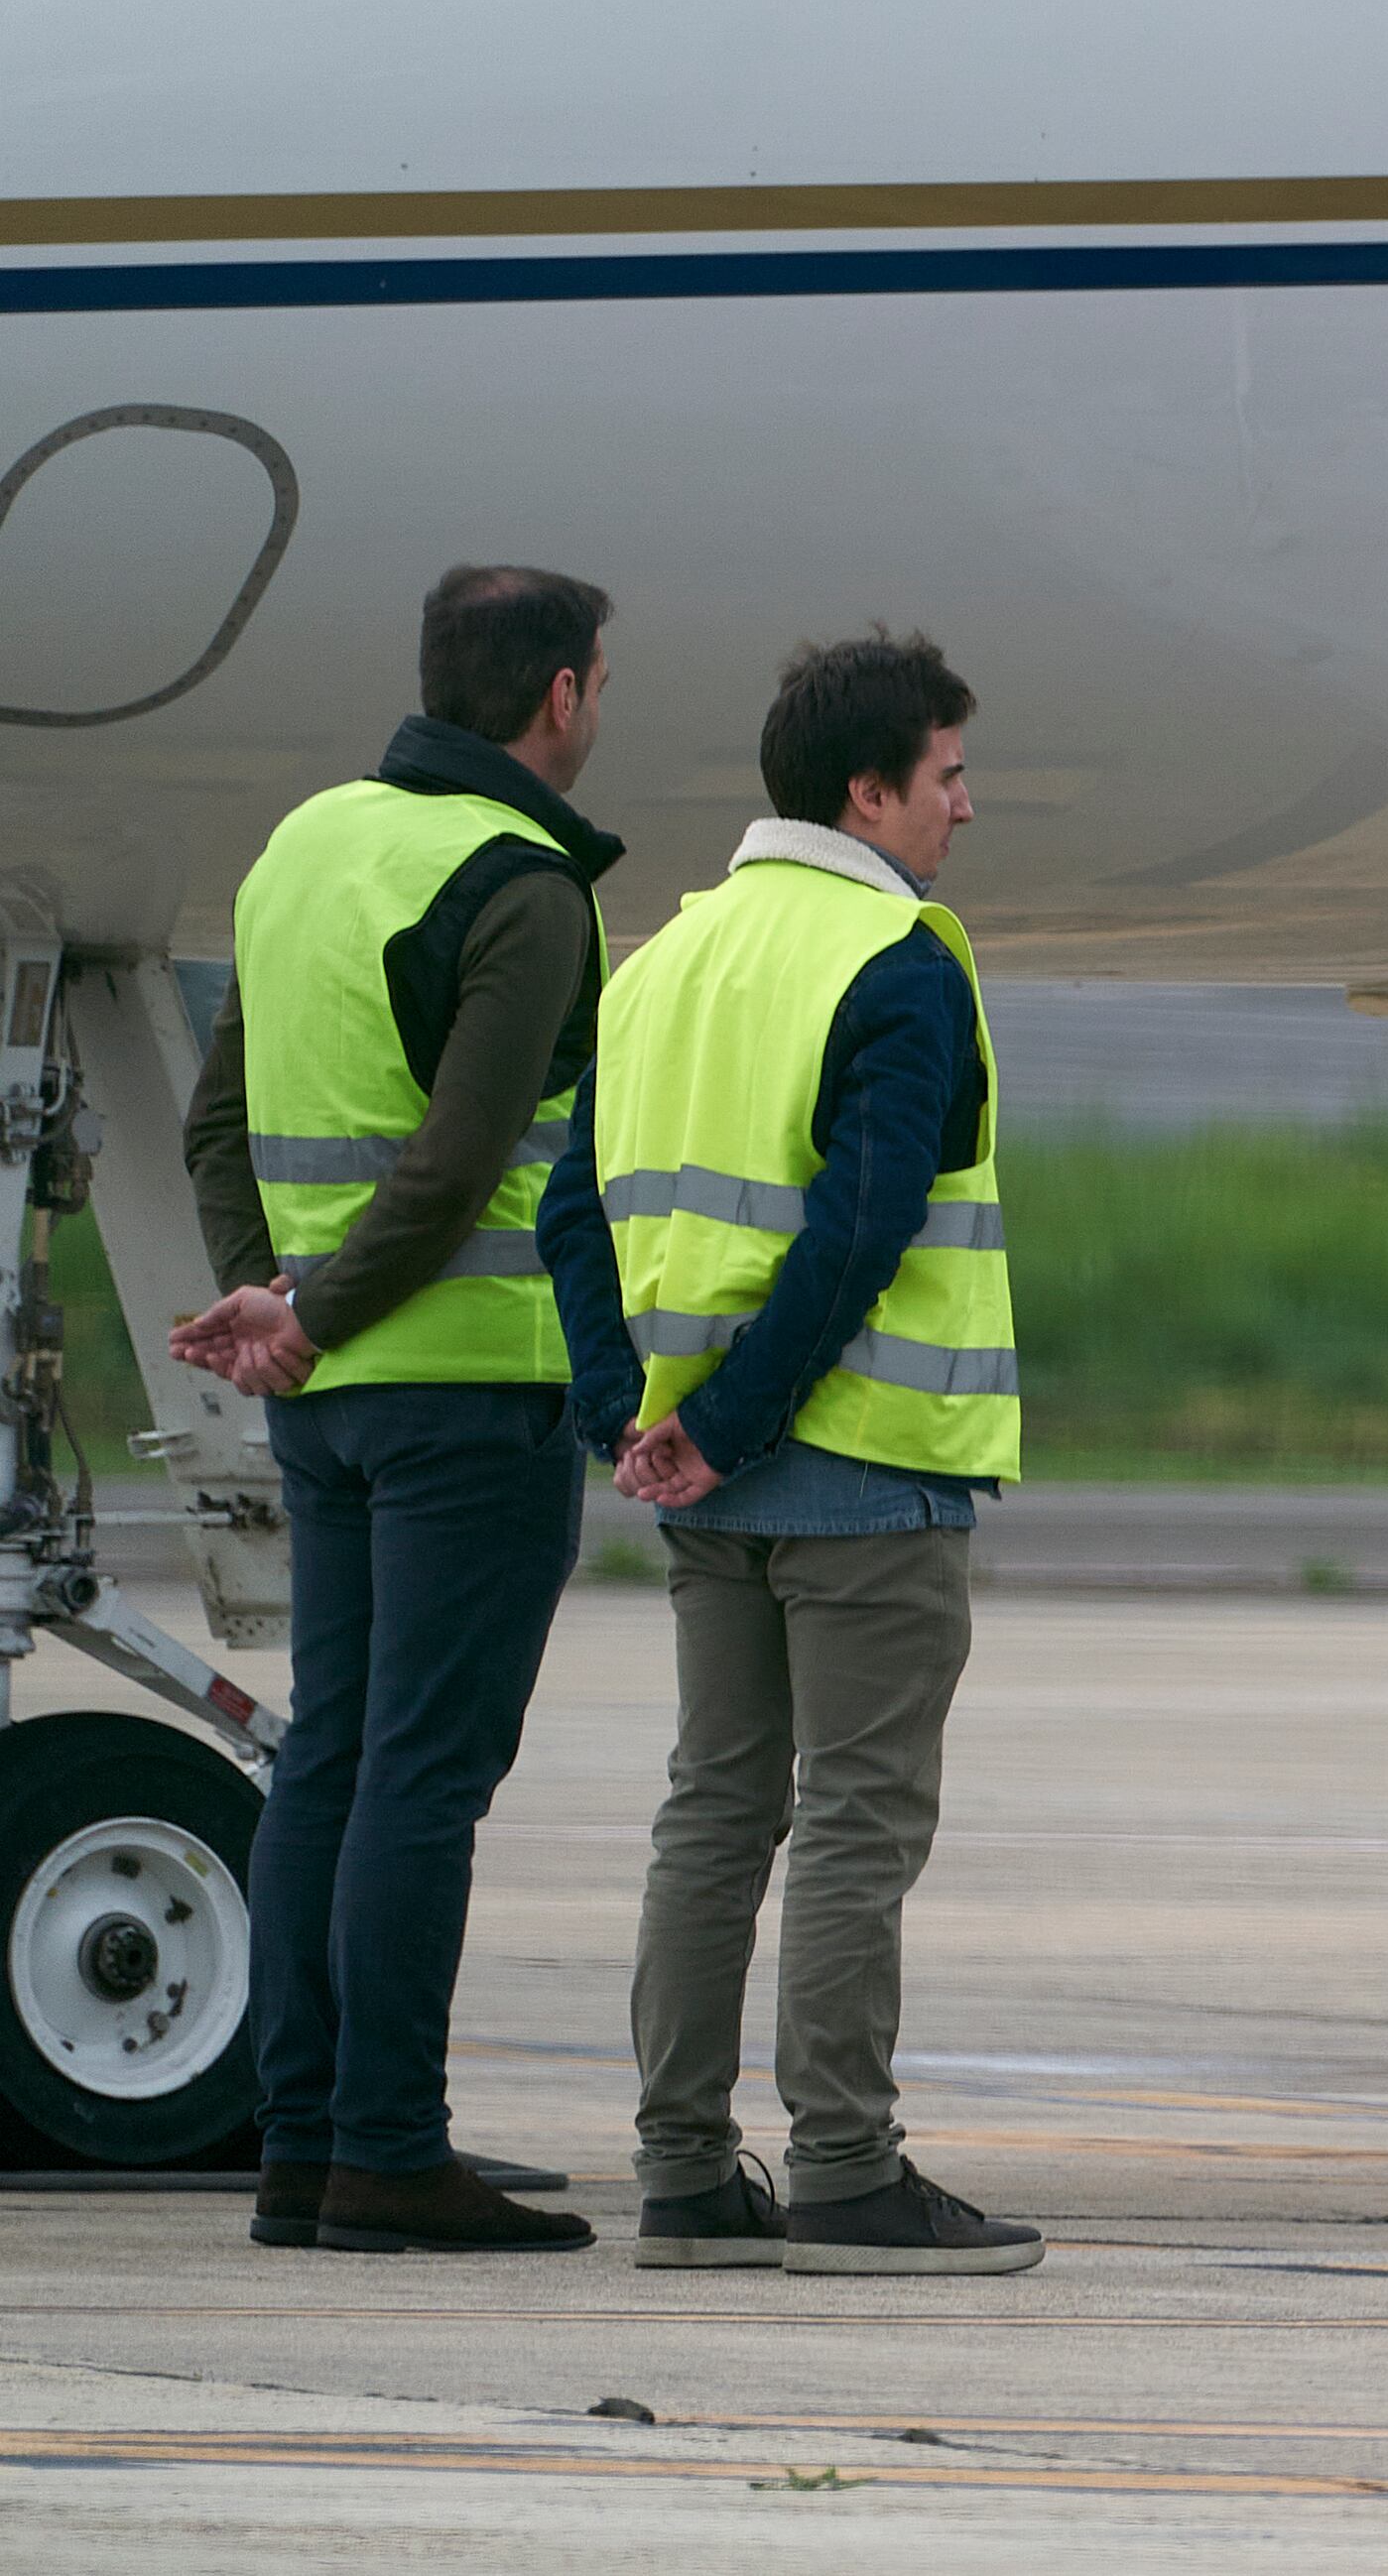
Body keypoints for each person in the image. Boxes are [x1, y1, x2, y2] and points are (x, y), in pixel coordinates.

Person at [173, 563, 629, 2258]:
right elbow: (457, 1159)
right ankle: (389, 2147)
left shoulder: (303, 846)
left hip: (332, 1399)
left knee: (333, 1757)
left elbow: (224, 1124)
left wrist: (274, 1302)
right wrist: (313, 1307)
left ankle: (304, 2143)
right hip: (464, 1391)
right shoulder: (522, 882)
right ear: (561, 695)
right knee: (427, 1775)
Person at [583, 629, 1041, 2276]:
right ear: (869, 789)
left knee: (713, 1812)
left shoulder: (666, 957)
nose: (964, 809)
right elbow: (862, 1221)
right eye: (947, 774)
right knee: (854, 1819)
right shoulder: (897, 954)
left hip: (706, 1473)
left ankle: (684, 2167)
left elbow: (575, 1206)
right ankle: (846, 2163)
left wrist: (634, 1414)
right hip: (856, 1462)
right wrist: (721, 1422)